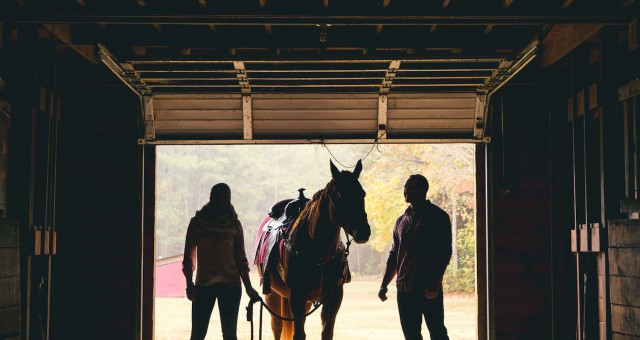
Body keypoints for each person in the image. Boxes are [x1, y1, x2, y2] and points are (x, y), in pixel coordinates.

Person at [182, 183, 261, 340]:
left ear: (229, 199)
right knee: (197, 334)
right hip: (203, 286)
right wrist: (189, 284)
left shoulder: (234, 224)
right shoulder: (197, 223)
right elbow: (188, 256)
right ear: (211, 198)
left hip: (231, 286)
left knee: (230, 335)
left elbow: (241, 258)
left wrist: (248, 288)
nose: (221, 200)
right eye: (218, 196)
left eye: (225, 197)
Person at [378, 174, 452, 340]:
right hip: (404, 288)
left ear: (423, 190)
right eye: (405, 187)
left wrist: (435, 282)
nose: (406, 190)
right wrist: (384, 285)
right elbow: (394, 255)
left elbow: (445, 252)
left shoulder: (438, 217)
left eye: (411, 187)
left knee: (437, 332)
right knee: (411, 335)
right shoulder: (400, 221)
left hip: (427, 286)